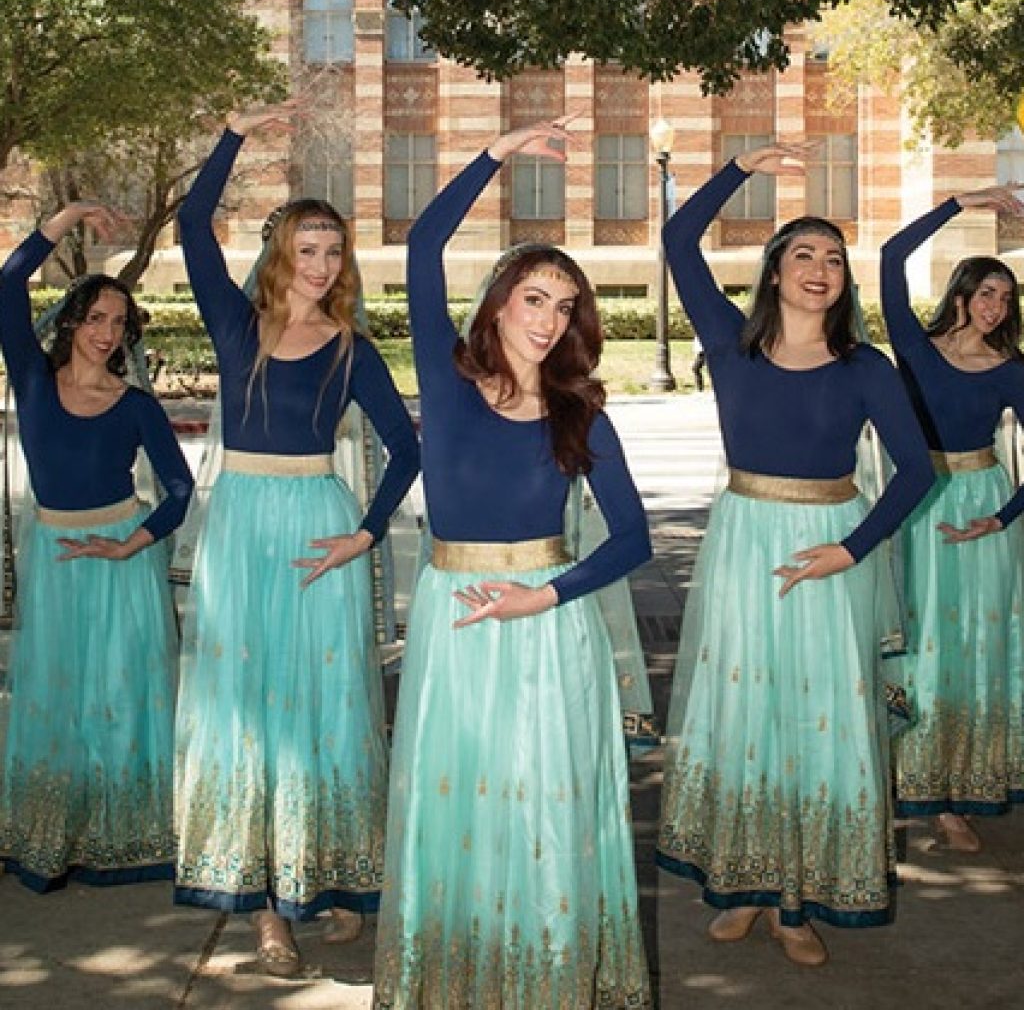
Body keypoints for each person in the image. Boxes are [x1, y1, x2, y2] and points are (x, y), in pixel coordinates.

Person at [372, 121, 652, 1008]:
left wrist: (548, 595)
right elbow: (422, 245)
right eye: (535, 298)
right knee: (457, 812)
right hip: (453, 624)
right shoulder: (447, 384)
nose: (550, 319)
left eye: (565, 306)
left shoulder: (581, 412)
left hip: (544, 630)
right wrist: (495, 154)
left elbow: (632, 538)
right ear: (498, 303)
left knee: (544, 814)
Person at [655, 142, 935, 966]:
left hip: (828, 552)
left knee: (818, 722)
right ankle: (742, 882)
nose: (821, 268)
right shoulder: (730, 341)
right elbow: (678, 241)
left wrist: (849, 552)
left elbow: (916, 471)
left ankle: (796, 903)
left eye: (835, 259)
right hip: (745, 545)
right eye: (803, 254)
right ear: (775, 270)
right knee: (744, 715)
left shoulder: (866, 367)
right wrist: (740, 165)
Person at [173, 105, 420, 976]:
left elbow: (409, 448)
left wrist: (363, 532)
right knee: (251, 713)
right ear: (281, 255)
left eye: (334, 251)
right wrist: (234, 132)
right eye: (307, 249)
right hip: (242, 530)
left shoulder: (353, 348)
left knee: (327, 710)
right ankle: (269, 911)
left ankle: (330, 873)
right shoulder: (235, 329)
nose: (322, 266)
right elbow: (192, 226)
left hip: (321, 534)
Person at [0, 202, 193, 892]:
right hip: (53, 553)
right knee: (54, 695)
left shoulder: (137, 405)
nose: (107, 334)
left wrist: (128, 546)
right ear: (72, 322)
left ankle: (125, 835)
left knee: (119, 693)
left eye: (119, 323)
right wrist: (68, 216)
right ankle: (55, 835)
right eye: (96, 319)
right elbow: (7, 283)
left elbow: (179, 491)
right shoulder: (30, 378)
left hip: (120, 559)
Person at [880, 184, 1024, 851]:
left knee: (974, 652)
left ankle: (954, 793)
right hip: (917, 504)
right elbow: (889, 256)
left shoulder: (1011, 368)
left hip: (985, 511)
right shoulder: (913, 344)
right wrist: (960, 203)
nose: (996, 307)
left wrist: (1001, 518)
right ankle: (901, 776)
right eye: (987, 292)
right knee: (914, 643)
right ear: (962, 293)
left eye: (1007, 297)